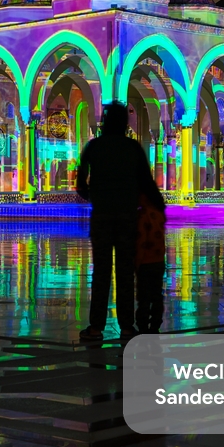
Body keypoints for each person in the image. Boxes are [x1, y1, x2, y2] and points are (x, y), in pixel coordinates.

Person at [76, 102, 164, 342]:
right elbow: (146, 182)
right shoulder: (133, 148)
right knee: (125, 271)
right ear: (124, 123)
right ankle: (126, 326)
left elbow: (80, 184)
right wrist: (158, 207)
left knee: (101, 271)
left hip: (102, 217)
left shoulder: (93, 147)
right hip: (127, 217)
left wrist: (97, 197)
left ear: (105, 122)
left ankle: (96, 328)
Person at [135, 190, 166, 333]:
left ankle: (142, 326)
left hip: (145, 263)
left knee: (144, 297)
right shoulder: (159, 214)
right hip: (158, 261)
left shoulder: (142, 215)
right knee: (157, 295)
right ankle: (155, 324)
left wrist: (136, 262)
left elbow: (141, 241)